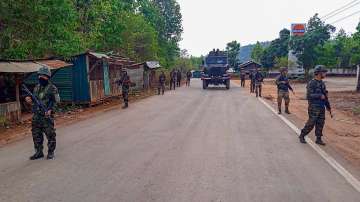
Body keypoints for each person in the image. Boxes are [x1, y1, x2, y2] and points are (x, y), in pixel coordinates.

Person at [25, 66, 60, 160]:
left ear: (48, 76)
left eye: (43, 75)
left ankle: (51, 152)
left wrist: (51, 110)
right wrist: (29, 99)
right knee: (36, 134)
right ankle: (38, 152)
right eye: (40, 75)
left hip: (47, 116)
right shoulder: (36, 87)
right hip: (37, 115)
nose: (41, 77)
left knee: (50, 134)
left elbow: (57, 102)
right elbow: (34, 99)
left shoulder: (53, 88)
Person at [299, 65, 332, 146]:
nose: (325, 74)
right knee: (311, 122)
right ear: (319, 73)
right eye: (324, 72)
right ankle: (302, 135)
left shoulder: (322, 83)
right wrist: (319, 96)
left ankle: (318, 138)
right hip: (314, 106)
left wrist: (328, 107)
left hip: (321, 106)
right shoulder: (312, 83)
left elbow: (325, 96)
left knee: (320, 123)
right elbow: (308, 96)